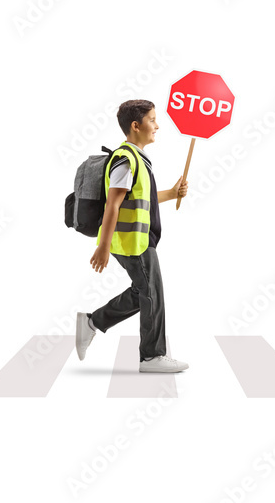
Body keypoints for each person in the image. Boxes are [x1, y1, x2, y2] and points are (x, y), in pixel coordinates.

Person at [75, 99, 189, 373]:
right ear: (135, 126)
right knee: (152, 294)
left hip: (136, 239)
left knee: (145, 293)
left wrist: (173, 193)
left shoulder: (138, 160)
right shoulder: (126, 160)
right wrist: (102, 246)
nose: (157, 126)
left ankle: (92, 322)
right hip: (131, 242)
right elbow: (113, 204)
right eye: (152, 120)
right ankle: (151, 356)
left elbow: (142, 200)